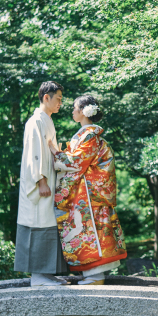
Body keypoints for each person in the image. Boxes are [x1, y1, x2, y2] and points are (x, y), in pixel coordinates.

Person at [49, 95, 127, 285]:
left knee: (89, 232)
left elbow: (76, 162)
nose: (73, 111)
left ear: (84, 111)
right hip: (87, 193)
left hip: (89, 195)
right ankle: (91, 276)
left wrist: (56, 153)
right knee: (85, 232)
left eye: (75, 108)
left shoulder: (89, 135)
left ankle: (95, 277)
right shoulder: (86, 135)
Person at [15, 81, 69, 287]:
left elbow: (49, 149)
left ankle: (46, 274)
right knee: (38, 224)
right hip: (39, 186)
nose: (60, 104)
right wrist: (42, 181)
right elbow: (34, 154)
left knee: (48, 224)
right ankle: (37, 276)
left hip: (48, 182)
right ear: (46, 97)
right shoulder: (35, 121)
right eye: (58, 99)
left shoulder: (46, 120)